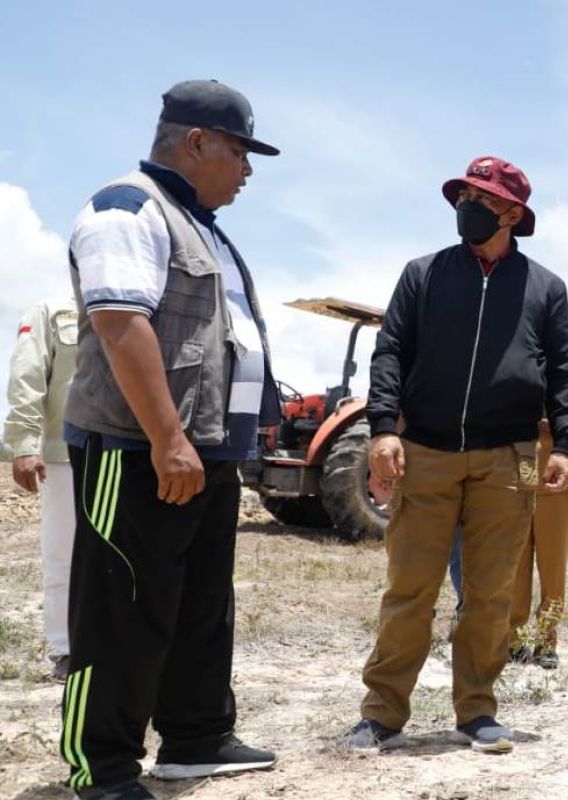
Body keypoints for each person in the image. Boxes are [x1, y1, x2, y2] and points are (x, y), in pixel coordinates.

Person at [60, 79, 281, 800]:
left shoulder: (201, 223)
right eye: (241, 153)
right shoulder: (128, 209)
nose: (247, 170)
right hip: (138, 448)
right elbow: (121, 323)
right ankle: (105, 768)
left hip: (207, 450)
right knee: (123, 606)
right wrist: (166, 436)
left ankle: (196, 737)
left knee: (199, 604)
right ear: (197, 142)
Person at [346, 156, 568, 755]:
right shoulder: (423, 274)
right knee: (410, 588)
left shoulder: (545, 289)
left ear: (510, 213)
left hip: (509, 458)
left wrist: (567, 445)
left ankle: (476, 712)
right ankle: (381, 715)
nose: (464, 210)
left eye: (478, 200)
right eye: (460, 199)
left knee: (491, 593)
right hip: (424, 449)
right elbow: (390, 351)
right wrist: (382, 428)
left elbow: (562, 371)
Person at [4, 297, 78, 682]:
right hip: (64, 453)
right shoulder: (52, 311)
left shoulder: (141, 306)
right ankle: (67, 650)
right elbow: (28, 376)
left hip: (129, 454)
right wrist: (24, 444)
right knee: (63, 555)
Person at [507, 369, 568, 669]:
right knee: (514, 567)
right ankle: (513, 642)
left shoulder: (566, 366)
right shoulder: (512, 359)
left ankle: (546, 642)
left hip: (554, 482)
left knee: (552, 567)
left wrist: (550, 425)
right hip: (514, 477)